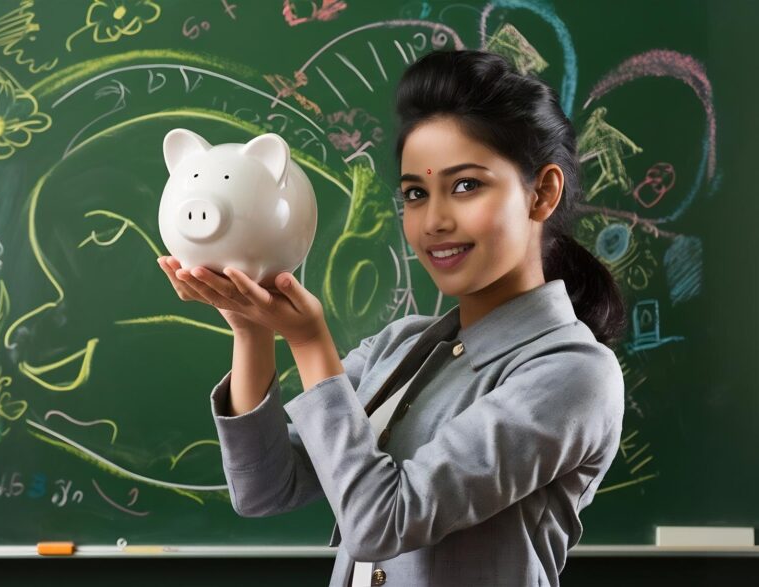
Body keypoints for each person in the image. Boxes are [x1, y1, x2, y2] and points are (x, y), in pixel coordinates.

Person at [156, 49, 627, 587]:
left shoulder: (573, 374)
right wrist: (252, 330)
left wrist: (311, 343)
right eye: (415, 194)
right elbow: (264, 488)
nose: (434, 221)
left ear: (541, 192)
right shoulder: (397, 347)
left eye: (467, 185)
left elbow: (384, 521)